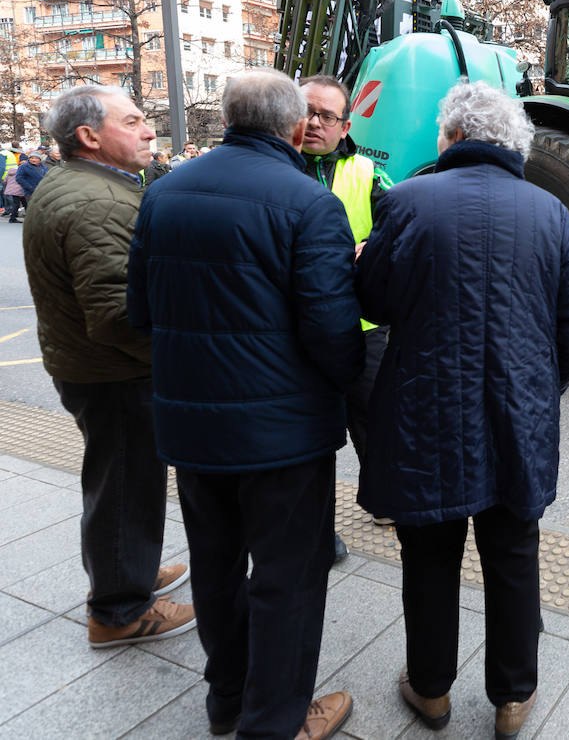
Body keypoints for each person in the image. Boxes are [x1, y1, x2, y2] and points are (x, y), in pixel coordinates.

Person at [355, 81, 569, 737]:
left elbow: (372, 300)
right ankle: (513, 699)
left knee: (429, 555)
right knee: (513, 554)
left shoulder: (406, 201)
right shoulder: (550, 211)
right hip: (518, 416)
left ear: (454, 137)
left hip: (424, 414)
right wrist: (538, 386)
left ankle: (430, 690)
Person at [127, 69, 363, 739]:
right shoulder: (308, 204)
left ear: (228, 118)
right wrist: (345, 385)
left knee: (215, 561)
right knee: (289, 575)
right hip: (284, 439)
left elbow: (139, 311)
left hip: (192, 428)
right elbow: (331, 331)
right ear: (293, 127)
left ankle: (226, 698)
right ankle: (274, 721)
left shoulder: (163, 193)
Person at [22, 86, 195, 649]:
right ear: (89, 137)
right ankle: (119, 610)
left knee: (122, 479)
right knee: (124, 485)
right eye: (135, 121)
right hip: (114, 374)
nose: (150, 132)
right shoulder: (99, 201)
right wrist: (179, 361)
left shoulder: (85, 186)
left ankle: (130, 575)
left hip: (89, 365)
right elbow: (120, 315)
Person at [298, 74, 394, 558]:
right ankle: (316, 529)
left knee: (375, 418)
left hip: (361, 326)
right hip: (296, 329)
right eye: (305, 111)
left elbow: (401, 232)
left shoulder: (369, 174)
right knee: (310, 432)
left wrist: (372, 250)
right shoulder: (275, 168)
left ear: (345, 124)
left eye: (326, 116)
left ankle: (382, 499)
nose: (314, 123)